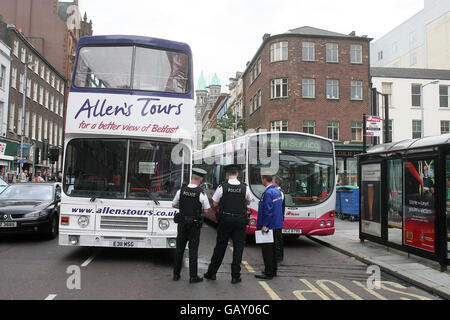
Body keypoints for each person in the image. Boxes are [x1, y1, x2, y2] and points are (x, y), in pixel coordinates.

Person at [204, 165, 252, 284]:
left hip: (225, 219)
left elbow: (215, 203)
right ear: (237, 174)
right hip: (240, 220)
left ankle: (212, 273)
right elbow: (249, 201)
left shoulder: (222, 187)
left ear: (227, 175)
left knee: (221, 245)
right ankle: (235, 276)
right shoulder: (244, 187)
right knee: (239, 247)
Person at [172, 168, 211, 283]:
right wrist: (197, 211)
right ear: (201, 179)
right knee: (193, 250)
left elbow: (174, 205)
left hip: (182, 223)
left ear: (191, 178)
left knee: (179, 249)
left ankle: (176, 274)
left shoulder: (181, 190)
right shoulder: (201, 193)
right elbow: (207, 210)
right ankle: (193, 276)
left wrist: (184, 209)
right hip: (194, 224)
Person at [255, 172, 284, 280]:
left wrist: (265, 225)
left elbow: (268, 211)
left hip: (269, 226)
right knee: (273, 250)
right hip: (277, 225)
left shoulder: (267, 193)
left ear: (264, 179)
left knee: (267, 251)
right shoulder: (277, 191)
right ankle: (273, 270)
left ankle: (268, 273)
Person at [273, 175, 285, 265]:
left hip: (277, 220)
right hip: (278, 219)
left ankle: (278, 257)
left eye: (272, 181)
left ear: (276, 183)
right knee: (277, 239)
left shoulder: (279, 192)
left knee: (277, 239)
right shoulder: (278, 192)